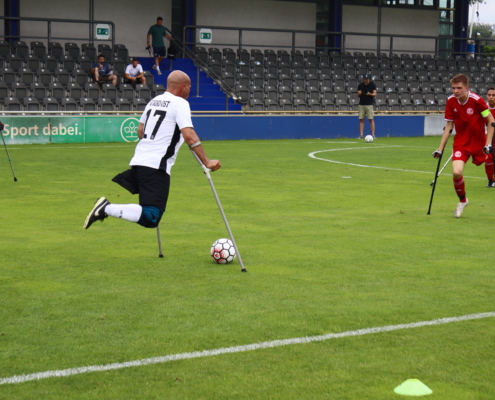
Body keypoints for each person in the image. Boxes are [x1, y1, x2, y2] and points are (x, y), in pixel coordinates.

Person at [83, 70, 221, 230]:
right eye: (189, 87)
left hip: (140, 162)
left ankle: (106, 208)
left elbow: (140, 131)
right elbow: (189, 135)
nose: (189, 91)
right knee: (152, 216)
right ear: (183, 87)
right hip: (156, 166)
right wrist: (206, 162)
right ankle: (106, 208)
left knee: (149, 212)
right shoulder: (180, 103)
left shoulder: (154, 101)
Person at [433, 74, 494, 218]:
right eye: (453, 88)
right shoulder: (450, 101)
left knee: (489, 163)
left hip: (479, 143)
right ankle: (463, 201)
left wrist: (488, 143)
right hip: (461, 143)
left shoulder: (477, 100)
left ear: (467, 88)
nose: (455, 91)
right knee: (456, 172)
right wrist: (440, 149)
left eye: (459, 88)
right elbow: (449, 126)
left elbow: (491, 120)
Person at [357, 73, 377, 140]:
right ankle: (361, 135)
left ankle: (373, 135)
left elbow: (374, 94)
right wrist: (359, 93)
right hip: (361, 104)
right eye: (365, 79)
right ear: (363, 79)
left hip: (369, 104)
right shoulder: (360, 85)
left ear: (369, 79)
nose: (366, 80)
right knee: (361, 119)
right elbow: (358, 95)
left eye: (367, 79)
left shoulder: (372, 85)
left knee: (371, 119)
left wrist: (369, 94)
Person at [484, 87, 495, 187]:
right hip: (488, 139)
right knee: (488, 160)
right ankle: (491, 180)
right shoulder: (483, 108)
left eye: (493, 95)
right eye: (489, 95)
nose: (491, 97)